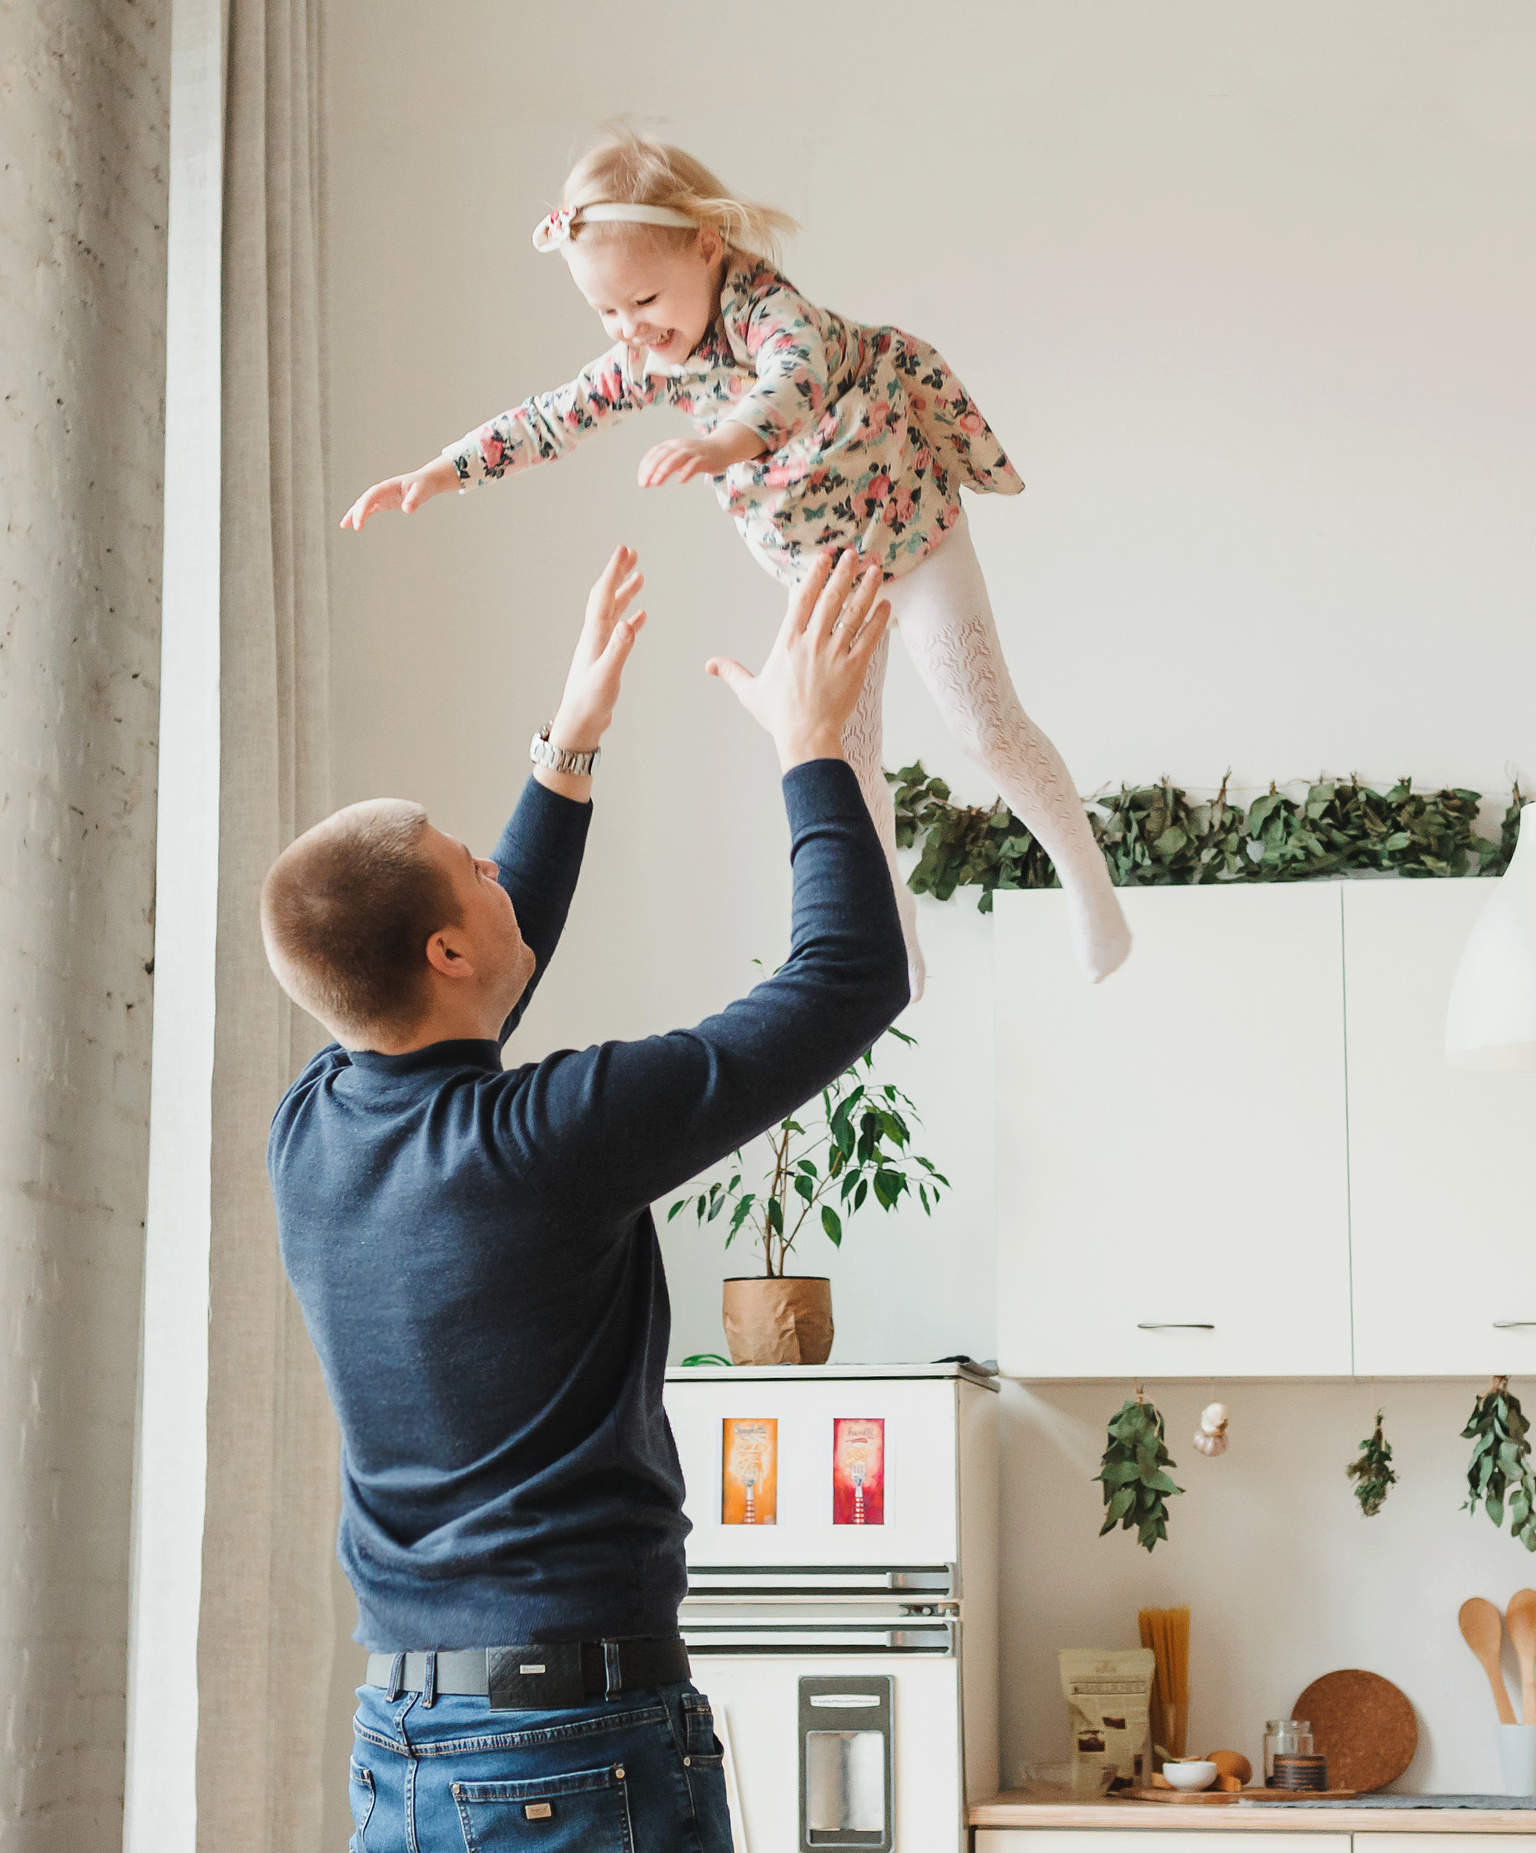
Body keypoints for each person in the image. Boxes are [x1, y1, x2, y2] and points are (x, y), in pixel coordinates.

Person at [260, 546, 906, 1853]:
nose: (501, 876)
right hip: (567, 1755)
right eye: (474, 870)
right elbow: (849, 977)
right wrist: (813, 743)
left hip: (404, 1745)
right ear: (444, 946)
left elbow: (473, 977)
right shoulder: (547, 1142)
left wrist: (567, 751)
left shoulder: (312, 1130)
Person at [337, 126, 1131, 999]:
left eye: (643, 299)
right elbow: (550, 418)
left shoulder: (767, 309)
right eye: (607, 313)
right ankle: (895, 933)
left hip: (913, 531)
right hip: (825, 573)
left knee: (982, 723)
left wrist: (725, 441)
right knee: (843, 759)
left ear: (706, 247)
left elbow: (793, 376)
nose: (633, 330)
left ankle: (1088, 881)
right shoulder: (646, 359)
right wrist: (441, 471)